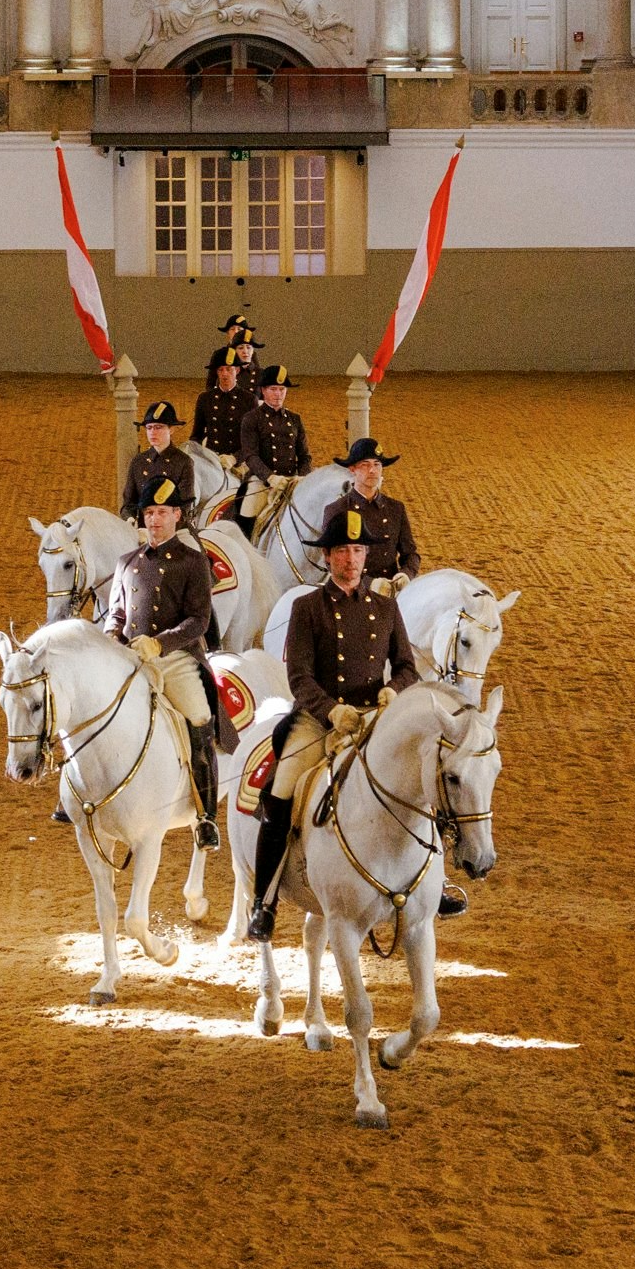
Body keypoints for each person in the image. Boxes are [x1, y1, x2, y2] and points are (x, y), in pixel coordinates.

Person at [241, 517, 417, 938]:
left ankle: (431, 882)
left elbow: (408, 667)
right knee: (282, 790)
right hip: (320, 721)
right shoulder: (307, 608)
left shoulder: (386, 608)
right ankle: (263, 902)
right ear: (327, 557)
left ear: (366, 555)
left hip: (375, 716)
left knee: (418, 779)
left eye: (357, 551)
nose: (351, 559)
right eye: (342, 551)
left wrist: (393, 691)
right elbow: (299, 677)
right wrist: (332, 711)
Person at [98, 469, 226, 848]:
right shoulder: (127, 561)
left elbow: (198, 620)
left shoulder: (192, 562)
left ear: (177, 516)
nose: (153, 519)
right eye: (148, 512)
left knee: (198, 717)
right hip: (129, 656)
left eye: (161, 512)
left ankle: (205, 816)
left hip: (174, 658)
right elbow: (118, 614)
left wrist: (158, 644)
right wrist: (111, 639)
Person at [333, 437, 421, 587]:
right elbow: (334, 562)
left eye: (377, 464)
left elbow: (410, 553)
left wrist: (406, 574)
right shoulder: (338, 509)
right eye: (365, 465)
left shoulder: (396, 508)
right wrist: (370, 583)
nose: (372, 470)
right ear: (352, 469)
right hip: (353, 592)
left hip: (391, 588)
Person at [240, 363, 313, 480]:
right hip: (261, 480)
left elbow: (305, 456)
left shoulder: (295, 419)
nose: (278, 394)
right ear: (263, 390)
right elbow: (250, 456)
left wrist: (303, 478)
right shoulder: (251, 418)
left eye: (282, 389)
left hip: (291, 479)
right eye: (273, 389)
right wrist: (270, 477)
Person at [120, 401, 192, 520]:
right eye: (149, 428)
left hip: (172, 528)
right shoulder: (138, 461)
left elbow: (184, 505)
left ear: (171, 429)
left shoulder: (183, 461)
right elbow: (128, 504)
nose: (153, 432)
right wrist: (130, 519)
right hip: (141, 528)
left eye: (159, 427)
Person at [192, 350, 253, 462]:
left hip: (238, 462)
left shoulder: (249, 400)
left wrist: (235, 458)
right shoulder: (205, 399)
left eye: (229, 369)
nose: (224, 373)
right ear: (216, 372)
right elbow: (196, 436)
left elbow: (253, 441)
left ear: (237, 370)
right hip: (211, 459)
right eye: (221, 369)